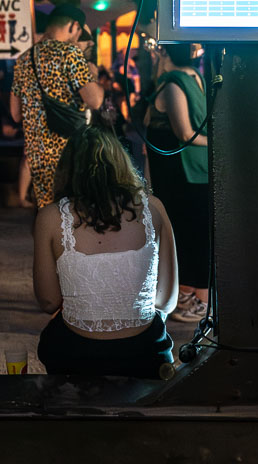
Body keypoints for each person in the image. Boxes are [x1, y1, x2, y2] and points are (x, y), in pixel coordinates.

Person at [33, 126, 177, 376]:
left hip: (77, 356)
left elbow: (48, 301)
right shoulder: (153, 208)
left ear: (68, 170)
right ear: (121, 163)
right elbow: (166, 300)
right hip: (144, 353)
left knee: (52, 340)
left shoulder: (50, 217)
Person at [10, 3, 104, 208]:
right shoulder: (70, 54)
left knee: (45, 215)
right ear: (73, 26)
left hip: (37, 154)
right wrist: (94, 77)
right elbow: (95, 100)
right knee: (71, 216)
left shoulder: (25, 58)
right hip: (68, 152)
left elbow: (16, 114)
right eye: (79, 32)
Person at [145, 41, 209, 322]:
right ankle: (196, 297)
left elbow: (184, 133)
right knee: (197, 229)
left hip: (182, 170)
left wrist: (218, 142)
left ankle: (191, 298)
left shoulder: (174, 84)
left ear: (166, 52)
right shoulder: (197, 77)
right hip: (195, 170)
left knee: (184, 231)